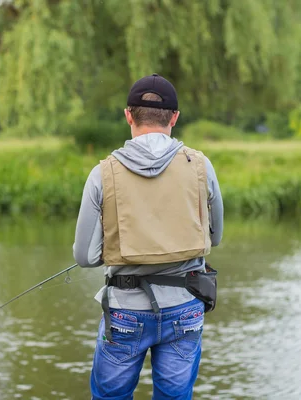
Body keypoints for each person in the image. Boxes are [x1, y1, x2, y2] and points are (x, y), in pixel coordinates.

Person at [73, 74, 224, 400]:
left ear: (129, 115)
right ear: (174, 118)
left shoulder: (102, 173)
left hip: (125, 310)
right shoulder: (201, 166)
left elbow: (84, 257)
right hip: (185, 308)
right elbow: (217, 235)